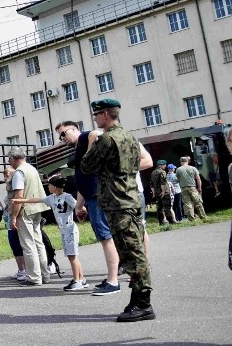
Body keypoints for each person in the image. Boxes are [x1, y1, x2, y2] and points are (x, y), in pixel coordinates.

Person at [81, 98, 155, 322]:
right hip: (130, 197)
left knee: (132, 252)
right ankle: (137, 299)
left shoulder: (107, 139)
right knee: (132, 251)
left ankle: (144, 303)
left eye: (96, 114)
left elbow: (86, 165)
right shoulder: (130, 137)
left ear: (105, 114)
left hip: (117, 202)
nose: (94, 118)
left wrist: (93, 143)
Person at [56, 121, 121, 296]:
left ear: (75, 129)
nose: (62, 138)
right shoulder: (78, 148)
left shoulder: (84, 137)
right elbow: (82, 180)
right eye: (60, 136)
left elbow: (96, 133)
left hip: (98, 196)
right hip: (91, 197)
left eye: (64, 133)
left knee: (106, 237)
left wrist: (90, 154)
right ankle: (114, 276)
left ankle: (113, 281)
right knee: (107, 237)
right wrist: (79, 206)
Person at [13, 176, 86, 291]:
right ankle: (81, 279)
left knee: (72, 256)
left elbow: (80, 207)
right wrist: (21, 200)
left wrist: (81, 211)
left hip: (70, 230)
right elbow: (37, 200)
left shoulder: (67, 197)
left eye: (50, 185)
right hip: (64, 231)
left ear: (55, 187)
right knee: (72, 256)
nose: (48, 186)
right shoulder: (51, 198)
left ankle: (77, 281)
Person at [7, 147, 49, 286]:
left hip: (25, 210)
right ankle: (44, 274)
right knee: (38, 242)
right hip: (38, 207)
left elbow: (19, 196)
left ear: (13, 159)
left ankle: (34, 277)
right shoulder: (32, 168)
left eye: (9, 160)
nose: (9, 163)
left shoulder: (19, 173)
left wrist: (13, 217)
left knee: (28, 244)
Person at [2, 167, 27, 281]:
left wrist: (14, 218)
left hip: (16, 220)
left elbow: (17, 202)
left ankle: (25, 270)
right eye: (4, 175)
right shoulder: (9, 191)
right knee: (14, 245)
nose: (5, 178)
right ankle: (21, 270)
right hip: (9, 222)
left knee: (20, 245)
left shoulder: (16, 190)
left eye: (7, 175)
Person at [176, 156, 207, 220]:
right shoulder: (193, 168)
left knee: (187, 204)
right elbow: (198, 179)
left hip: (183, 188)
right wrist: (199, 188)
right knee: (198, 202)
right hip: (192, 187)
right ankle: (203, 217)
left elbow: (178, 180)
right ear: (187, 161)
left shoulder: (178, 169)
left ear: (181, 162)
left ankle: (191, 219)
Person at [150, 160, 177, 225]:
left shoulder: (153, 172)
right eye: (164, 165)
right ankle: (171, 221)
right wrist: (163, 191)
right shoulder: (162, 172)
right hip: (164, 192)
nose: (165, 166)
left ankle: (161, 222)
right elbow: (163, 182)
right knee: (167, 207)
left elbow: (151, 183)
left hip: (157, 192)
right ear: (161, 165)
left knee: (160, 208)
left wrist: (153, 192)